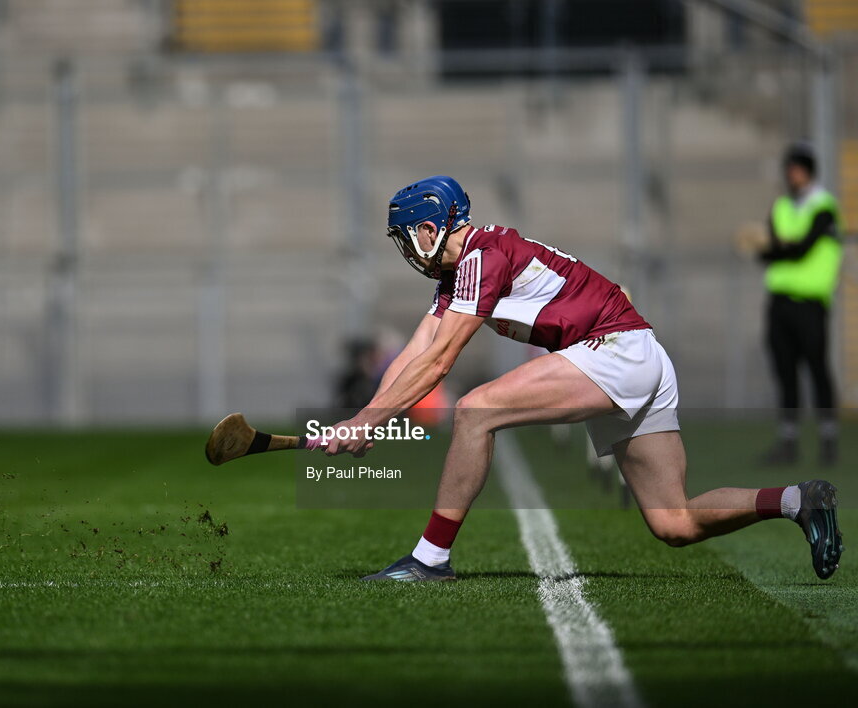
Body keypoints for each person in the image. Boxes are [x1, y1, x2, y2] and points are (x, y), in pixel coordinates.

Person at [322, 175, 843, 582]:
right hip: (636, 355)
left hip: (615, 350)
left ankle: (429, 559)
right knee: (674, 522)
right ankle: (800, 500)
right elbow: (417, 350)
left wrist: (371, 420)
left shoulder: (483, 257)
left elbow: (439, 363)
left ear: (428, 230)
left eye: (406, 238)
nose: (407, 251)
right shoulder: (462, 274)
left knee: (475, 412)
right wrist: (362, 418)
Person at [757, 142, 843, 466]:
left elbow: (801, 249)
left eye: (797, 168)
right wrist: (778, 248)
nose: (791, 174)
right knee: (785, 372)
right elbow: (767, 251)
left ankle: (828, 439)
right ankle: (789, 442)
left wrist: (779, 247)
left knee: (817, 369)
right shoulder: (781, 206)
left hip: (810, 303)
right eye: (789, 168)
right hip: (780, 303)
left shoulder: (823, 206)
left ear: (809, 171)